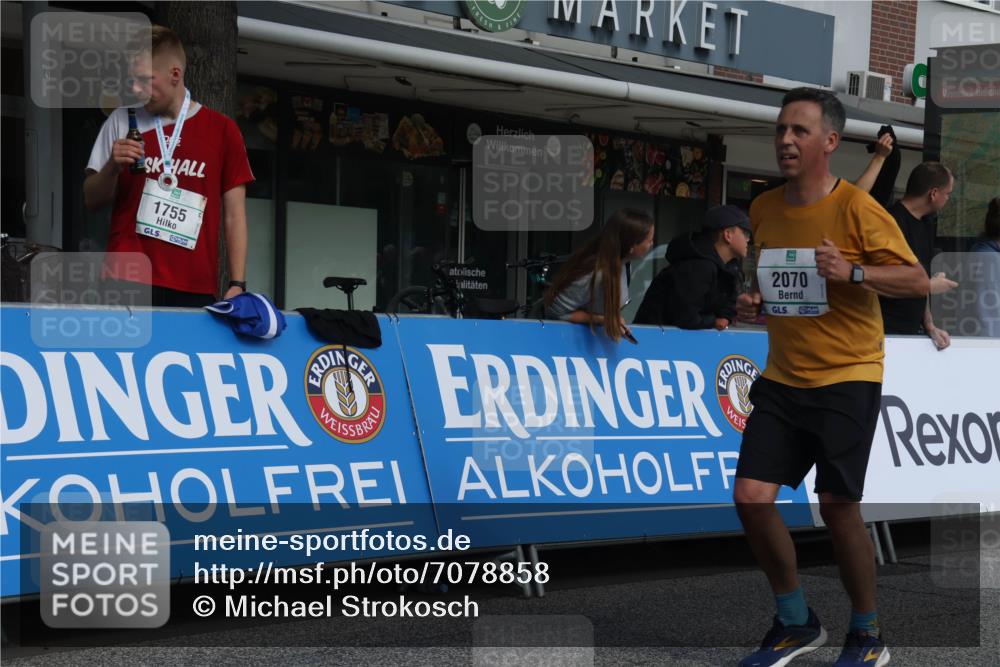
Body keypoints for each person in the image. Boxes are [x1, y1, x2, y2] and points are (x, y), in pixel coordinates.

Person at [733, 87, 928, 667]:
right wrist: (755, 305)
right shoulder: (764, 208)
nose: (785, 140)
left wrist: (854, 270)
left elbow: (915, 280)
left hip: (847, 374)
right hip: (783, 377)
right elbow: (778, 286)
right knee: (750, 497)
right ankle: (795, 621)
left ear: (830, 142)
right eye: (781, 129)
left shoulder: (858, 209)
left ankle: (867, 633)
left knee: (837, 503)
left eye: (799, 130)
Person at [84, 25, 253, 307]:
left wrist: (237, 283)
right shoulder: (122, 119)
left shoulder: (223, 131)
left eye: (144, 80)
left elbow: (235, 214)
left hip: (193, 284)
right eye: (132, 81)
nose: (136, 89)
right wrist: (112, 166)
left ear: (175, 75)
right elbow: (90, 200)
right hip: (126, 279)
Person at [878, 162, 958, 350]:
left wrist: (929, 325)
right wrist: (929, 285)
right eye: (948, 194)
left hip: (911, 331)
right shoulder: (889, 222)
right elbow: (880, 280)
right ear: (934, 193)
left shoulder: (927, 223)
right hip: (883, 332)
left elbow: (919, 277)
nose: (947, 199)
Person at [544, 208, 654, 341]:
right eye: (649, 240)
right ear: (632, 245)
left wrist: (613, 318)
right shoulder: (592, 275)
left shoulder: (625, 265)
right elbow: (555, 312)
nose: (651, 244)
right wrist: (600, 319)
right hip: (561, 341)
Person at [632, 205, 749, 330]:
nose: (748, 239)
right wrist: (714, 321)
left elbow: (727, 308)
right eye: (745, 233)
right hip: (654, 343)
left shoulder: (729, 268)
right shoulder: (699, 266)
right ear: (728, 235)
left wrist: (725, 318)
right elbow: (686, 317)